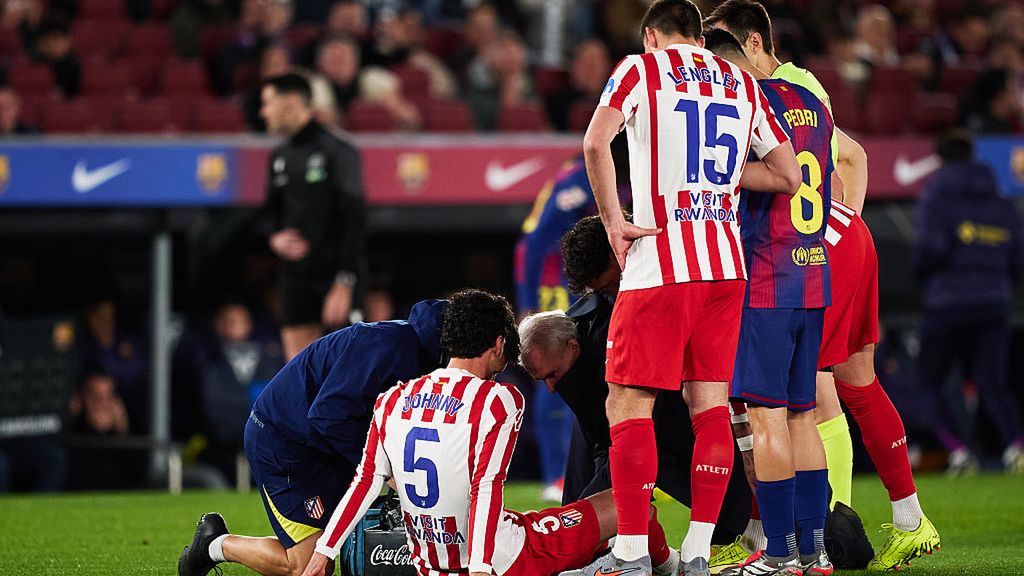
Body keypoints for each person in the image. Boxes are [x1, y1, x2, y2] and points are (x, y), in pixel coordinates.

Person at [704, 4, 942, 571]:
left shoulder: (757, 95)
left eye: (719, 62)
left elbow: (818, 165)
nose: (714, 75)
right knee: (838, 389)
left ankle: (786, 542)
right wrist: (841, 225)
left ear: (753, 45)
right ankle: (887, 524)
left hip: (785, 258)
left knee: (775, 405)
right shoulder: (810, 96)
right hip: (826, 245)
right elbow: (848, 156)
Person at [582, 2, 801, 575]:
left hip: (660, 261)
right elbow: (787, 174)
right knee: (709, 408)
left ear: (653, 35)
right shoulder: (738, 80)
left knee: (628, 404)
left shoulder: (639, 69)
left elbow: (594, 143)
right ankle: (699, 551)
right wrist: (724, 179)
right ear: (701, 36)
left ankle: (630, 554)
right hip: (726, 268)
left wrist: (613, 222)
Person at [301, 289, 678, 576]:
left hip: (430, 563)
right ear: (498, 344)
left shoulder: (393, 399)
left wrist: (324, 553)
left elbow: (365, 482)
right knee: (633, 505)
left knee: (535, 517)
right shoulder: (497, 400)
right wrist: (482, 569)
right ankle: (671, 565)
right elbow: (486, 488)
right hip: (501, 557)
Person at [519, 216, 750, 542]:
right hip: (631, 412)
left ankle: (731, 532)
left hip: (690, 395)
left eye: (607, 284)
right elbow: (602, 435)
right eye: (598, 289)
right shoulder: (590, 325)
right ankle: (603, 541)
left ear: (619, 254)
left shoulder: (679, 268)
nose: (609, 292)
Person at [177, 299, 447, 576]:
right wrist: (382, 467)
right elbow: (328, 414)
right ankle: (214, 544)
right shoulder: (387, 346)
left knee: (346, 543)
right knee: (306, 565)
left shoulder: (421, 351)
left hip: (327, 444)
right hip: (286, 441)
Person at [703, 29, 832, 576]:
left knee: (767, 418)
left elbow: (747, 175)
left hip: (765, 279)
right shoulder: (816, 107)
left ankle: (779, 555)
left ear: (725, 63)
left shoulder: (746, 101)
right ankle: (816, 552)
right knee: (804, 418)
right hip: (812, 274)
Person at [914, 130, 1024, 474]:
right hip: (993, 302)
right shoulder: (1001, 200)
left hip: (946, 303)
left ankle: (959, 452)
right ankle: (1015, 449)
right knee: (991, 382)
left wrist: (923, 278)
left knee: (928, 383)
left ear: (940, 156)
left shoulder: (936, 196)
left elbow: (931, 250)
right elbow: (1018, 259)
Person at [260, 73, 367, 361]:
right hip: (295, 277)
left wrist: (344, 281)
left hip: (335, 275)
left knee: (352, 367)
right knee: (297, 369)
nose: (263, 112)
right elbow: (269, 213)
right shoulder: (279, 155)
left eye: (268, 103)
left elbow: (354, 218)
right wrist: (275, 239)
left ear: (292, 102)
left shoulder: (338, 151)